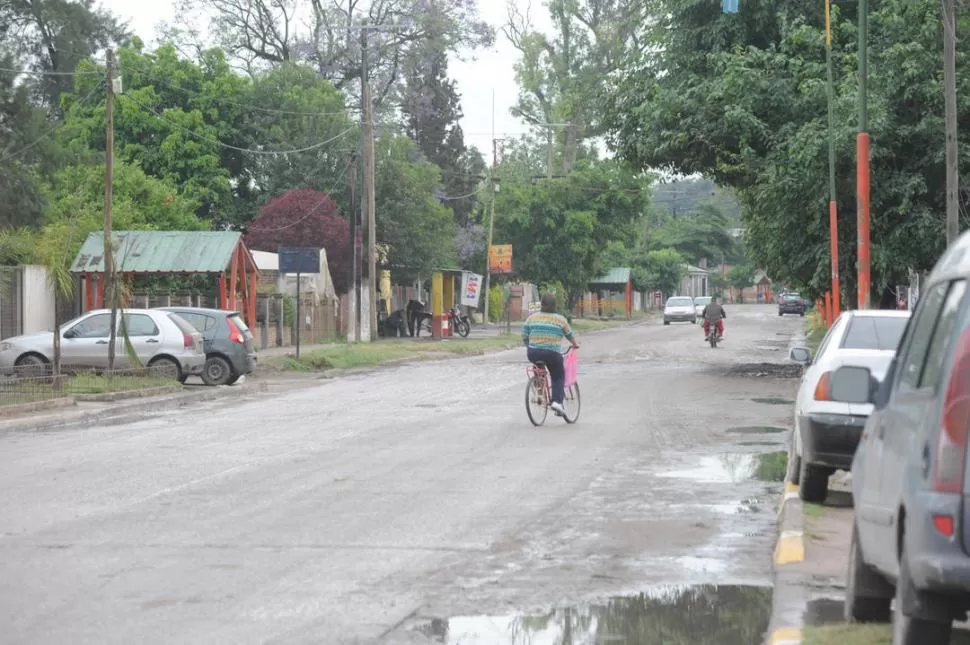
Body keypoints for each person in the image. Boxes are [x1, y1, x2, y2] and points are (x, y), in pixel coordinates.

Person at [522, 293, 579, 415]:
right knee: (558, 374)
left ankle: (539, 392)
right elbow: (569, 335)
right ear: (555, 305)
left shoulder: (531, 318)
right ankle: (557, 402)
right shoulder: (560, 319)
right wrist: (575, 344)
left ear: (541, 304)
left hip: (533, 352)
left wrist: (529, 346)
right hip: (552, 353)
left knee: (538, 366)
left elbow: (524, 335)